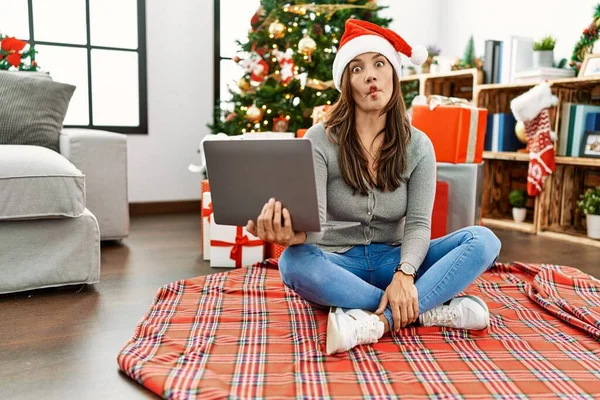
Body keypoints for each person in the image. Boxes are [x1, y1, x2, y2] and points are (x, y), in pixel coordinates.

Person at [246, 19, 501, 355]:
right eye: (357, 68)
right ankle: (426, 309)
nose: (370, 75)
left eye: (379, 63)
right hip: (339, 263)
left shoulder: (419, 146)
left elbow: (419, 224)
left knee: (483, 240)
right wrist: (289, 236)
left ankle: (381, 320)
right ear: (346, 83)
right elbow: (316, 225)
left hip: (394, 260)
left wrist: (405, 274)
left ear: (393, 75)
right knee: (292, 263)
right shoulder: (319, 140)